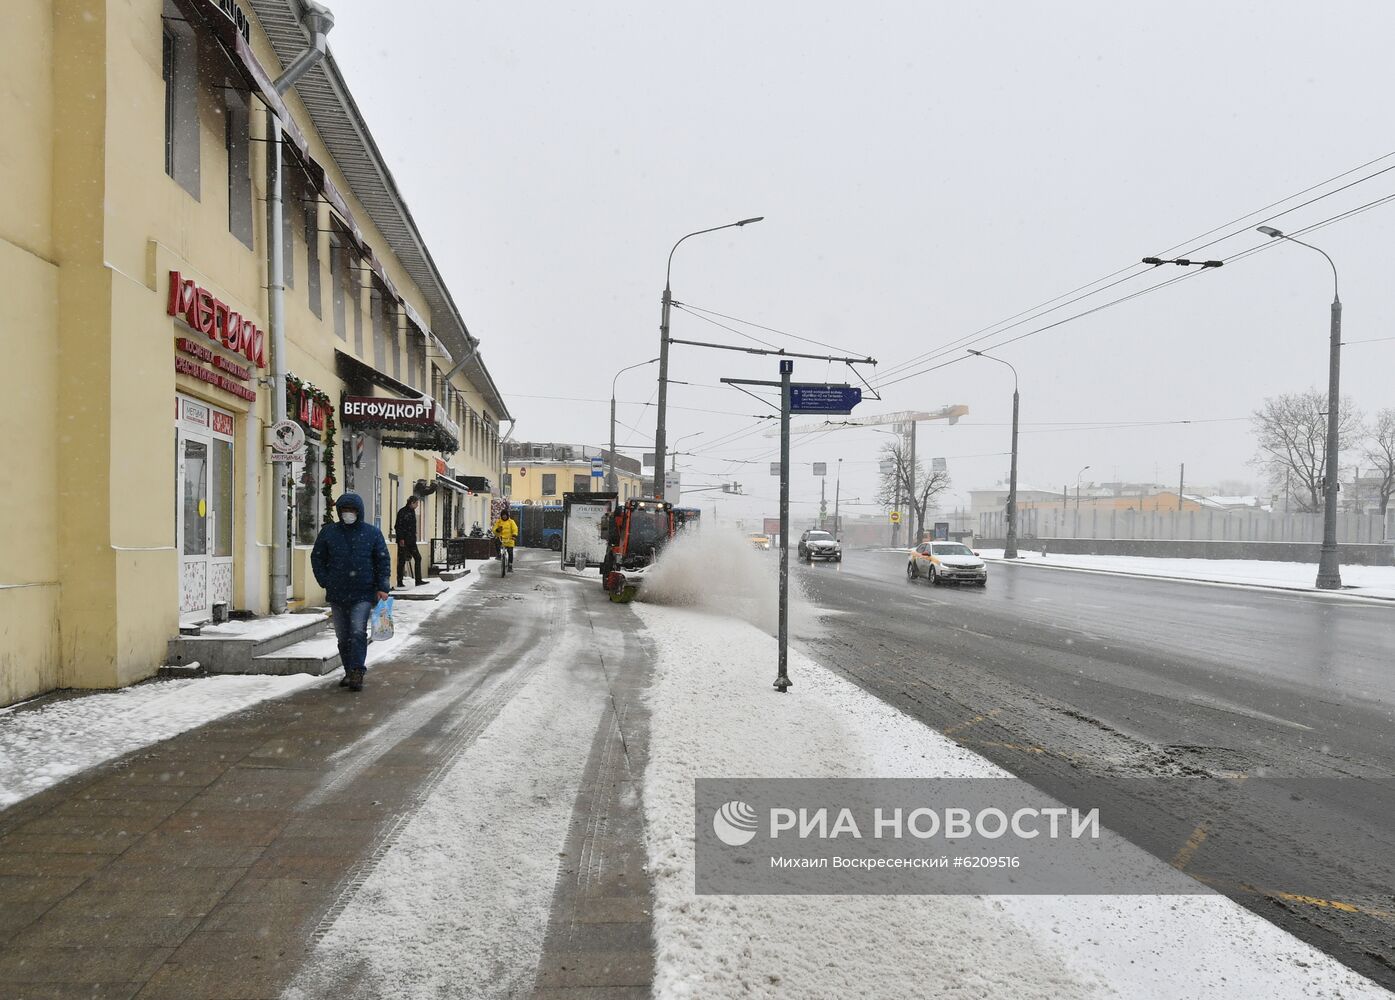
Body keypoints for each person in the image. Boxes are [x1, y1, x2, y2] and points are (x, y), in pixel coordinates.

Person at [311, 492, 390, 692]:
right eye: (345, 510)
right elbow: (317, 557)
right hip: (337, 593)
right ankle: (349, 670)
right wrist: (325, 580)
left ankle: (357, 671)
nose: (348, 514)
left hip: (363, 593)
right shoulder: (329, 533)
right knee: (343, 636)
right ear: (339, 512)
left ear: (359, 512)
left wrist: (382, 587)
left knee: (357, 632)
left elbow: (382, 560)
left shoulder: (372, 533)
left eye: (352, 510)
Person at [394, 495, 425, 587]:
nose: (417, 505)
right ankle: (399, 581)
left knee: (418, 558)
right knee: (402, 560)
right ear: (412, 503)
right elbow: (398, 526)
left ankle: (418, 580)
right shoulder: (402, 512)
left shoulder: (411, 512)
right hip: (404, 540)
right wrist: (401, 538)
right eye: (416, 503)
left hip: (411, 540)